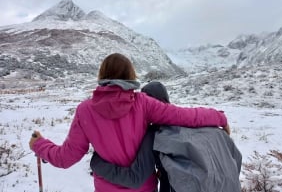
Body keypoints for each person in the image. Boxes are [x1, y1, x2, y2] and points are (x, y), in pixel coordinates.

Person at [29, 53, 229, 192]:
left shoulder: (85, 110)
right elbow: (185, 116)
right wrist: (219, 117)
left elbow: (65, 158)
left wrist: (40, 145)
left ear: (102, 76)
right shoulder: (143, 104)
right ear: (131, 76)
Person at [90, 81, 242, 192]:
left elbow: (135, 178)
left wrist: (97, 163)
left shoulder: (155, 134)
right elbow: (236, 158)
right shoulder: (210, 127)